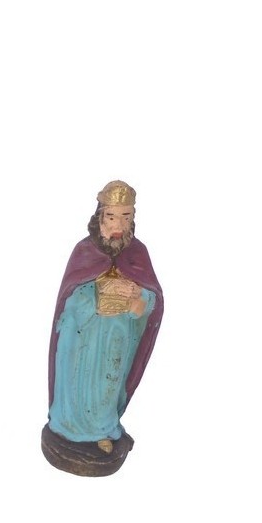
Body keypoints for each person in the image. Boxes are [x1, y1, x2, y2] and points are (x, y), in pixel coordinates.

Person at [45, 180, 162, 473]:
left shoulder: (138, 254)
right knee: (76, 381)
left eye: (126, 217)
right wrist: (98, 292)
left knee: (107, 385)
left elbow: (151, 298)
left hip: (116, 339)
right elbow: (69, 298)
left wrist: (138, 299)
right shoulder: (84, 251)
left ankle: (102, 429)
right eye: (111, 217)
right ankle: (66, 428)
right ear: (99, 217)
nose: (118, 225)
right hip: (81, 337)